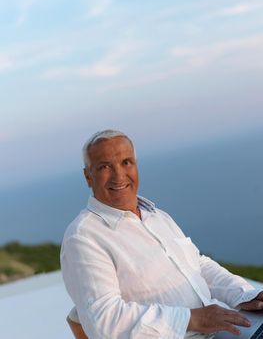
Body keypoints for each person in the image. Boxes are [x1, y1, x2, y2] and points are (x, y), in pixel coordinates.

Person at [61, 129, 263, 339]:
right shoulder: (83, 238)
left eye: (126, 162)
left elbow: (197, 265)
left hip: (219, 333)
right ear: (88, 176)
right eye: (104, 166)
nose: (119, 175)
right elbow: (105, 320)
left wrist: (246, 295)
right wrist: (192, 319)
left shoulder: (156, 215)